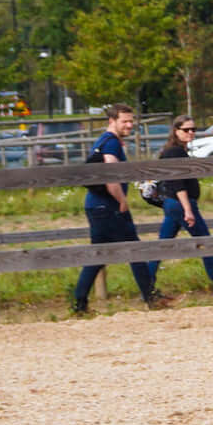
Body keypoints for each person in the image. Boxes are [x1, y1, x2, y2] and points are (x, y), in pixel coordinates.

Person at [70, 104, 173, 313]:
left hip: (97, 206)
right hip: (109, 206)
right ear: (112, 121)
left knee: (99, 255)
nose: (129, 125)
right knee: (133, 250)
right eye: (124, 121)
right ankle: (151, 296)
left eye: (130, 121)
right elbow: (110, 173)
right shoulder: (111, 144)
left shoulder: (104, 141)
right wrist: (121, 200)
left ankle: (79, 302)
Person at [147, 115, 213, 296]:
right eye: (186, 130)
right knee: (206, 243)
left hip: (173, 205)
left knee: (160, 247)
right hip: (180, 204)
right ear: (176, 131)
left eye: (193, 129)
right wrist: (188, 210)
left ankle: (147, 286)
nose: (191, 132)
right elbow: (177, 184)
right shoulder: (175, 152)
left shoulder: (174, 150)